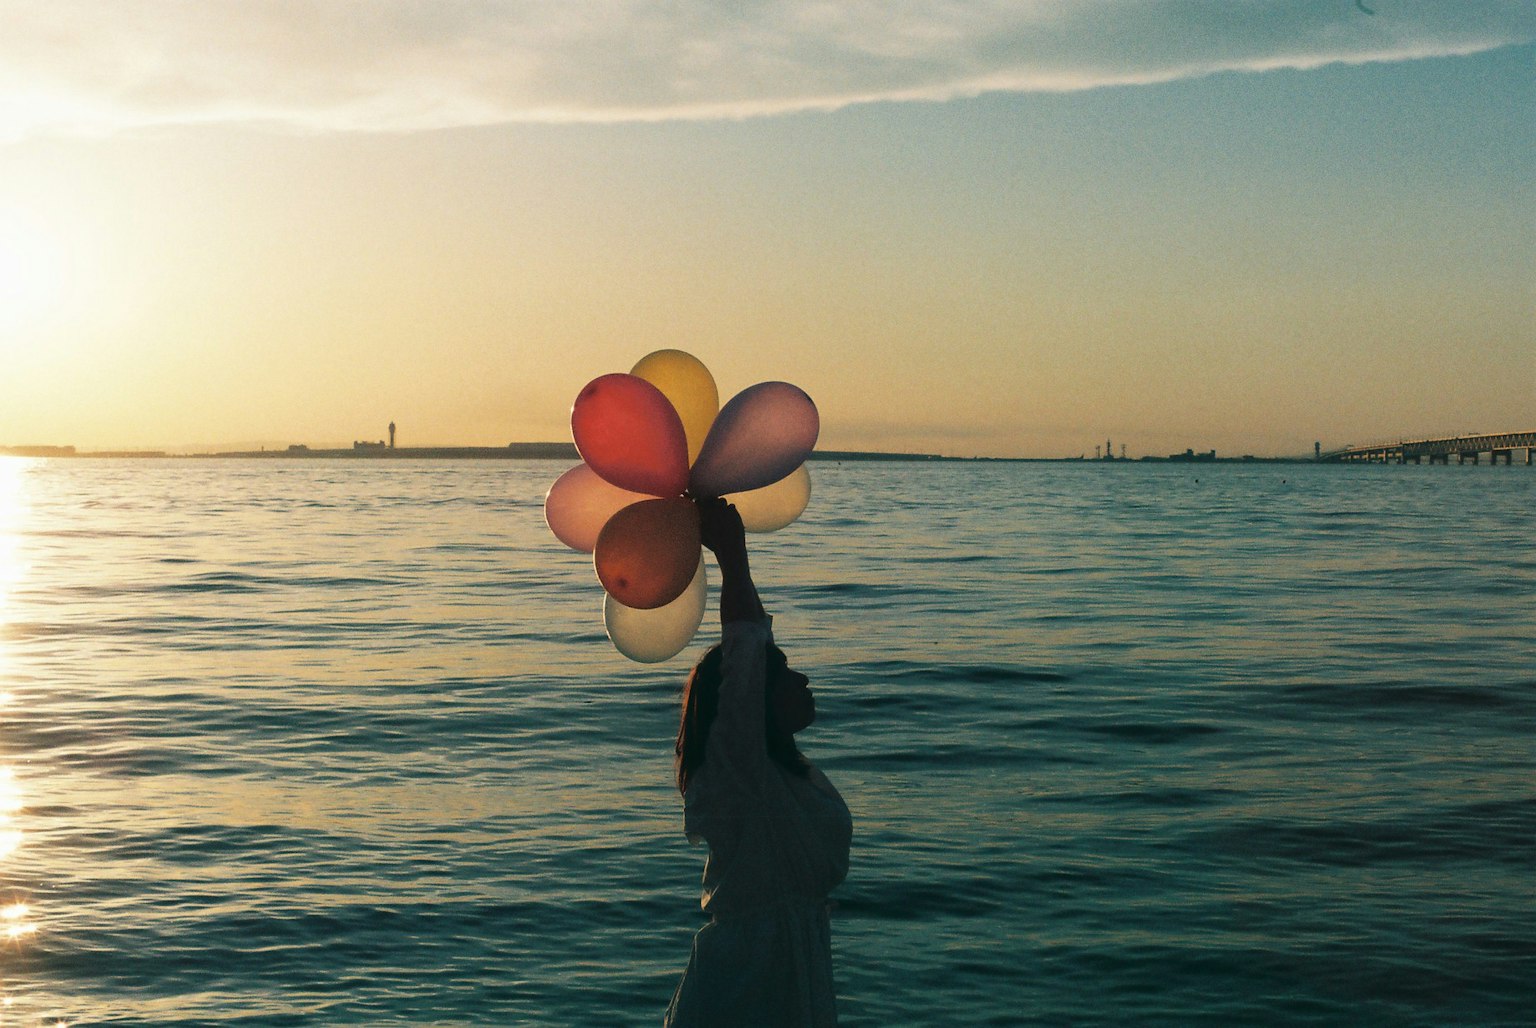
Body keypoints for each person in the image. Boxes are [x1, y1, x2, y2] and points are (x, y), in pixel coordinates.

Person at [665, 499, 852, 1027]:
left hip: (793, 976)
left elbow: (754, 653)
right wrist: (732, 555)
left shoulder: (779, 777)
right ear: (752, 701)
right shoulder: (738, 777)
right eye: (786, 673)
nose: (804, 681)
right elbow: (746, 649)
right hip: (744, 987)